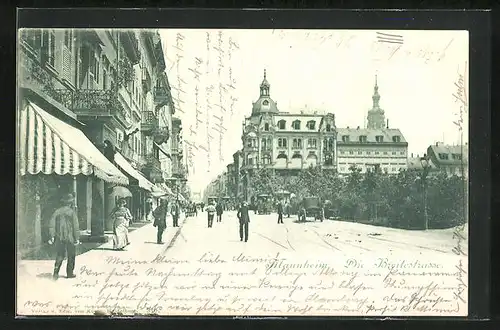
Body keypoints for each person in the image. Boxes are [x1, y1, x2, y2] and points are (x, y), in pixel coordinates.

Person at [48, 193, 80, 280]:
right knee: (71, 255)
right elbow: (75, 226)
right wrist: (77, 238)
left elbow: (52, 224)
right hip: (70, 238)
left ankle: (55, 273)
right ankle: (69, 273)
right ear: (70, 203)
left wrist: (52, 236)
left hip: (60, 237)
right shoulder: (72, 212)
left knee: (60, 255)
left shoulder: (57, 212)